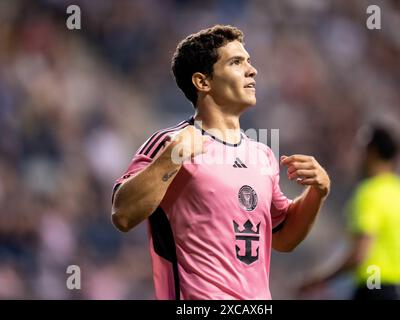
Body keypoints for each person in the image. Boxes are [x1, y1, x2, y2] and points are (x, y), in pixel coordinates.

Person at [111, 25, 330, 300]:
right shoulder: (172, 142)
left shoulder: (261, 155)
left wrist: (317, 193)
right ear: (203, 82)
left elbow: (282, 237)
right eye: (236, 62)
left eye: (248, 61)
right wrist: (170, 159)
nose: (252, 70)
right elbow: (123, 214)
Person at [297, 124, 400, 300]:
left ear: (372, 152)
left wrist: (321, 280)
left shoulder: (369, 195)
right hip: (395, 290)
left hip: (372, 285)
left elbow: (360, 254)